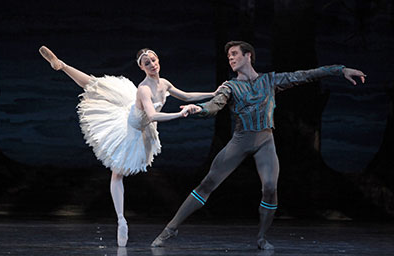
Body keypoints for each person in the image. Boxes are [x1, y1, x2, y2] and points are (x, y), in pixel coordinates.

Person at [151, 41, 366, 250]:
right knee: (207, 184)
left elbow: (305, 75)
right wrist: (198, 109)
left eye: (234, 54)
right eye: (228, 57)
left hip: (265, 141)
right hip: (240, 141)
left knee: (270, 188)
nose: (231, 58)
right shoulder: (230, 86)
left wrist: (341, 70)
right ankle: (170, 229)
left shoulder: (269, 81)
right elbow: (215, 104)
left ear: (248, 55)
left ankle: (261, 238)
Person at [39, 46, 225, 247]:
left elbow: (187, 96)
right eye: (147, 63)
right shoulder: (144, 89)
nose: (152, 65)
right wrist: (179, 115)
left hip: (138, 120)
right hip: (130, 129)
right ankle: (121, 220)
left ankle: (63, 65)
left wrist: (213, 93)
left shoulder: (164, 83)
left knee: (99, 87)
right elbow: (153, 116)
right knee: (116, 170)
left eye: (154, 60)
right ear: (142, 67)